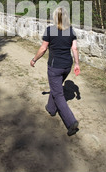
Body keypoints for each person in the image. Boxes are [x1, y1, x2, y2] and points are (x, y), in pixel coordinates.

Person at [30, 7, 81, 136]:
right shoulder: (71, 31)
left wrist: (34, 59)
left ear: (55, 17)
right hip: (67, 66)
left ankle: (71, 122)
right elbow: (74, 48)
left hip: (55, 67)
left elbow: (43, 49)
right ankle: (51, 108)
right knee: (56, 87)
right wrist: (77, 63)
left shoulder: (50, 30)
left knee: (58, 93)